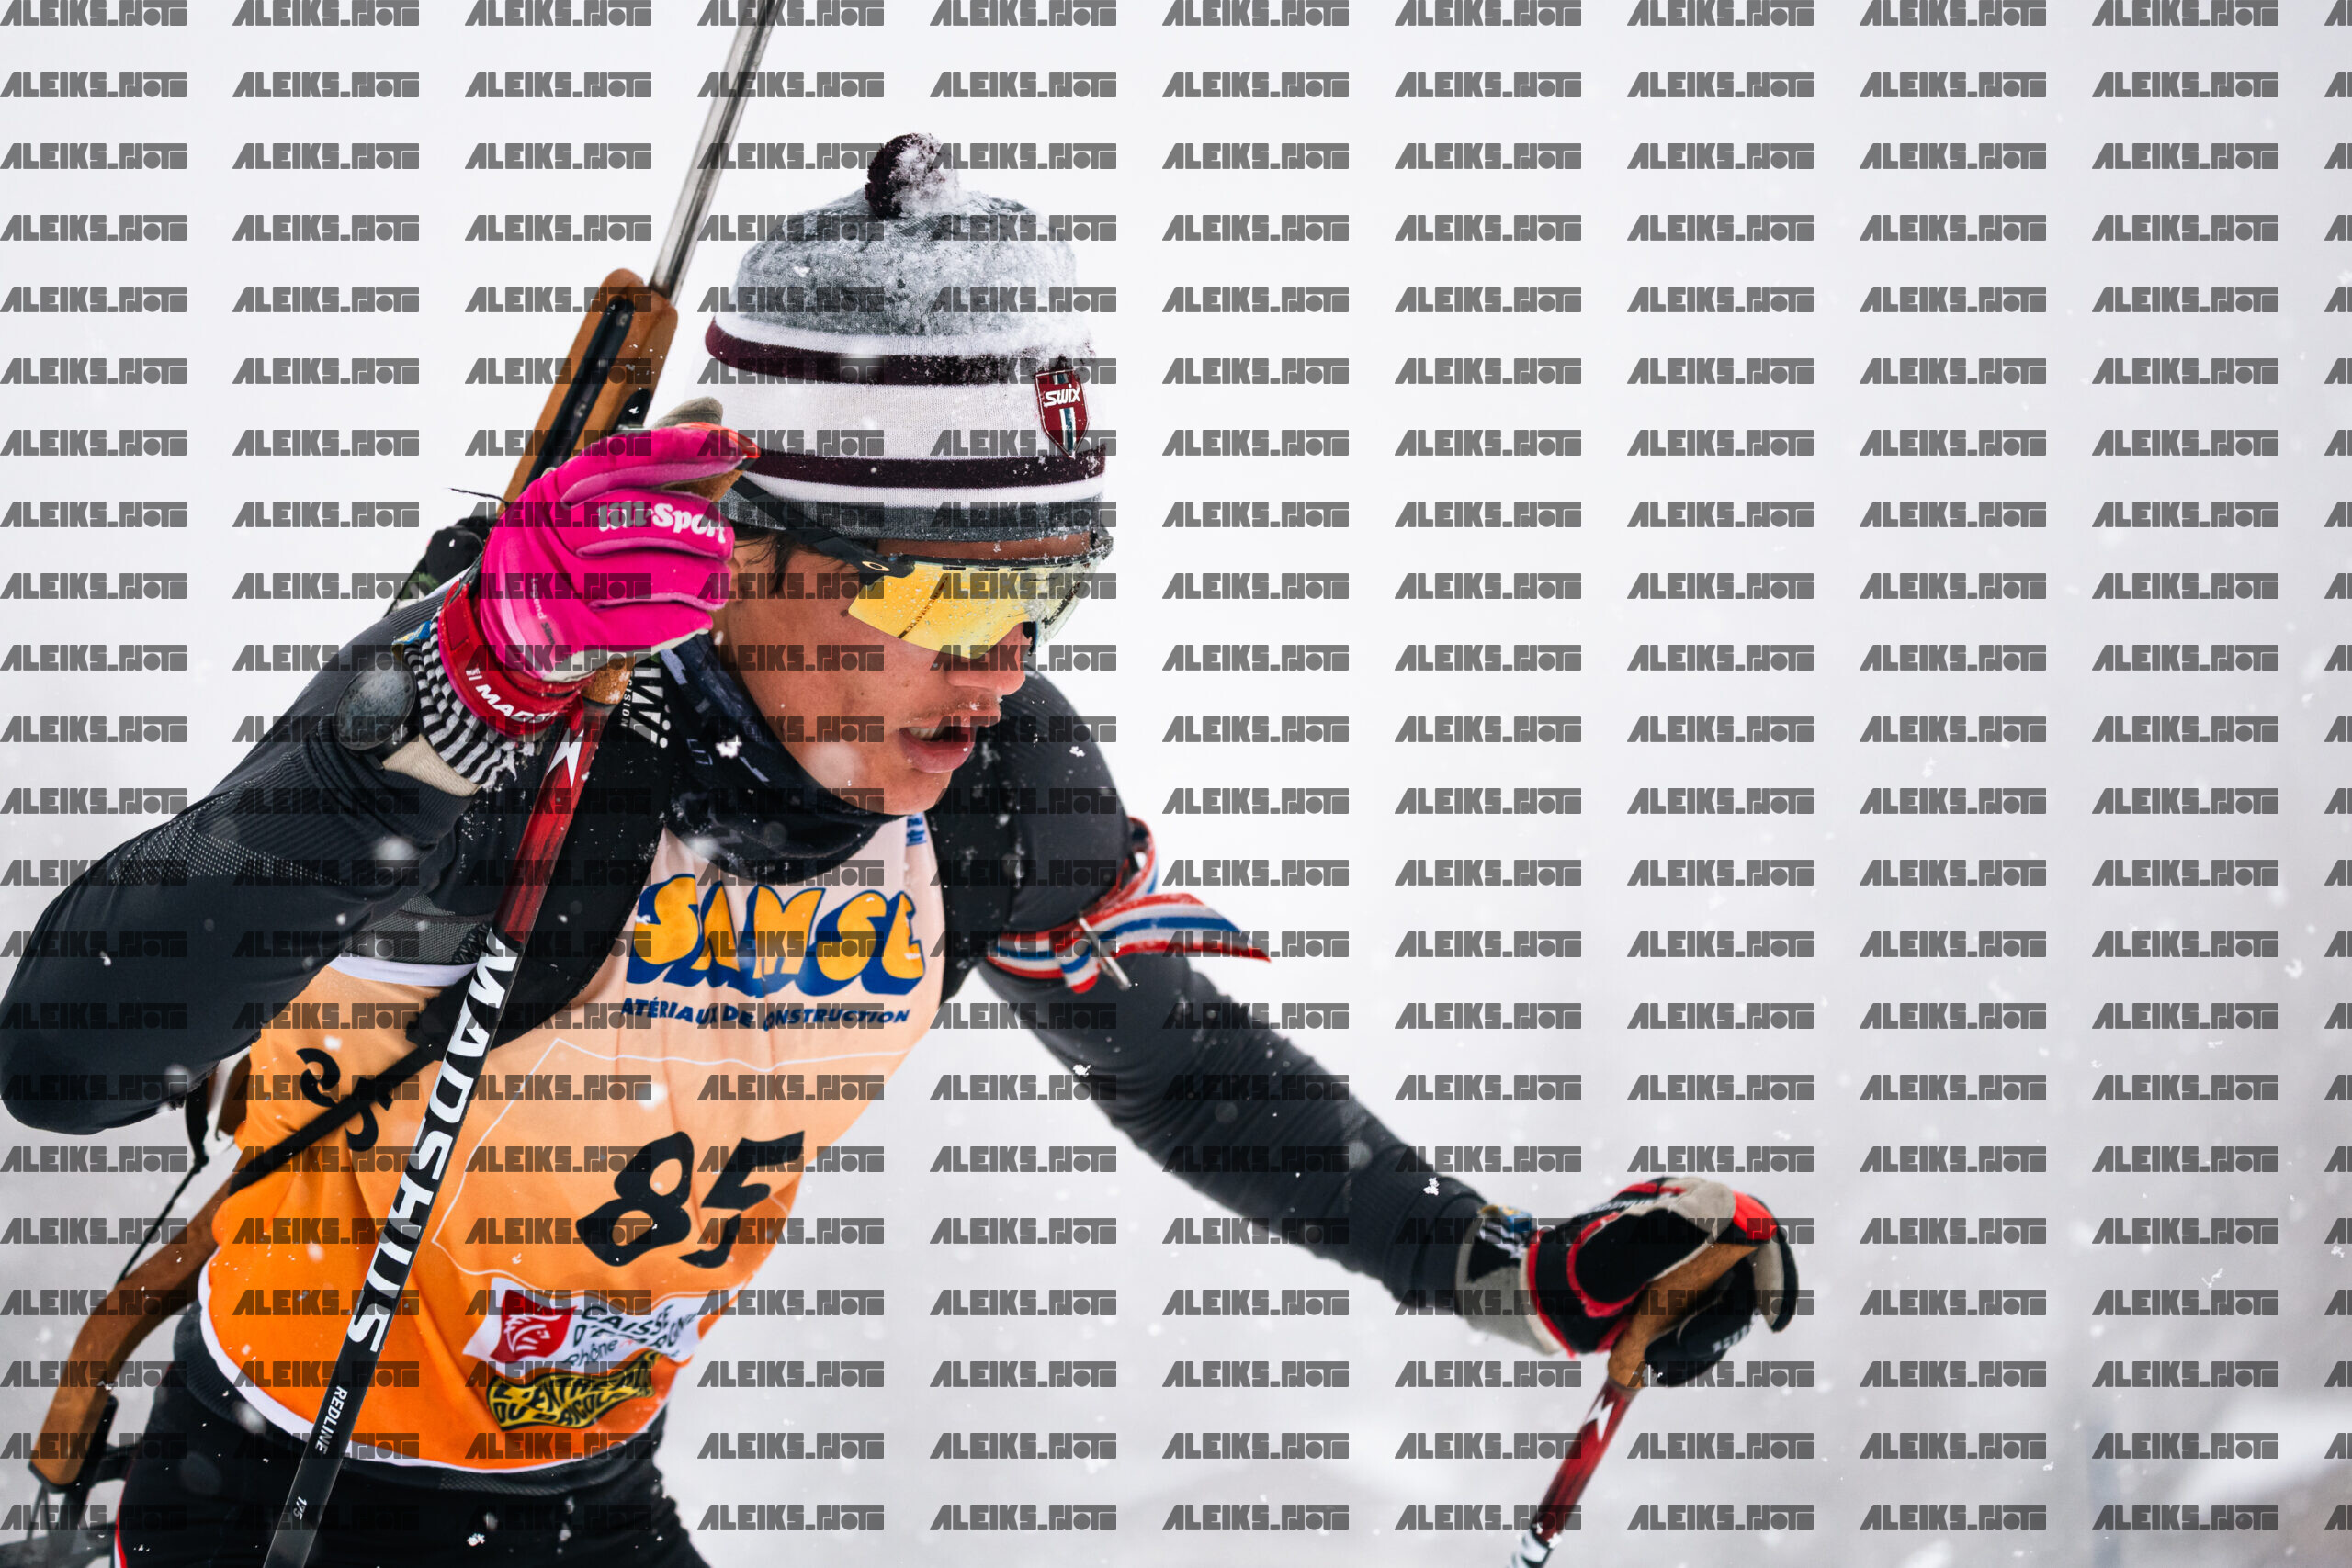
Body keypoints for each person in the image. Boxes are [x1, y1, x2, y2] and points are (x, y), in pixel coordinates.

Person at [0, 135, 1793, 1567]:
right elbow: (67, 1058)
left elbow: (1182, 1066)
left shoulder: (994, 785)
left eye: (1043, 592)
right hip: (277, 1494)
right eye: (941, 591)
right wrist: (456, 702)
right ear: (742, 552)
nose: (996, 662)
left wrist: (1504, 1263)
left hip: (588, 1493)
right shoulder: (525, 698)